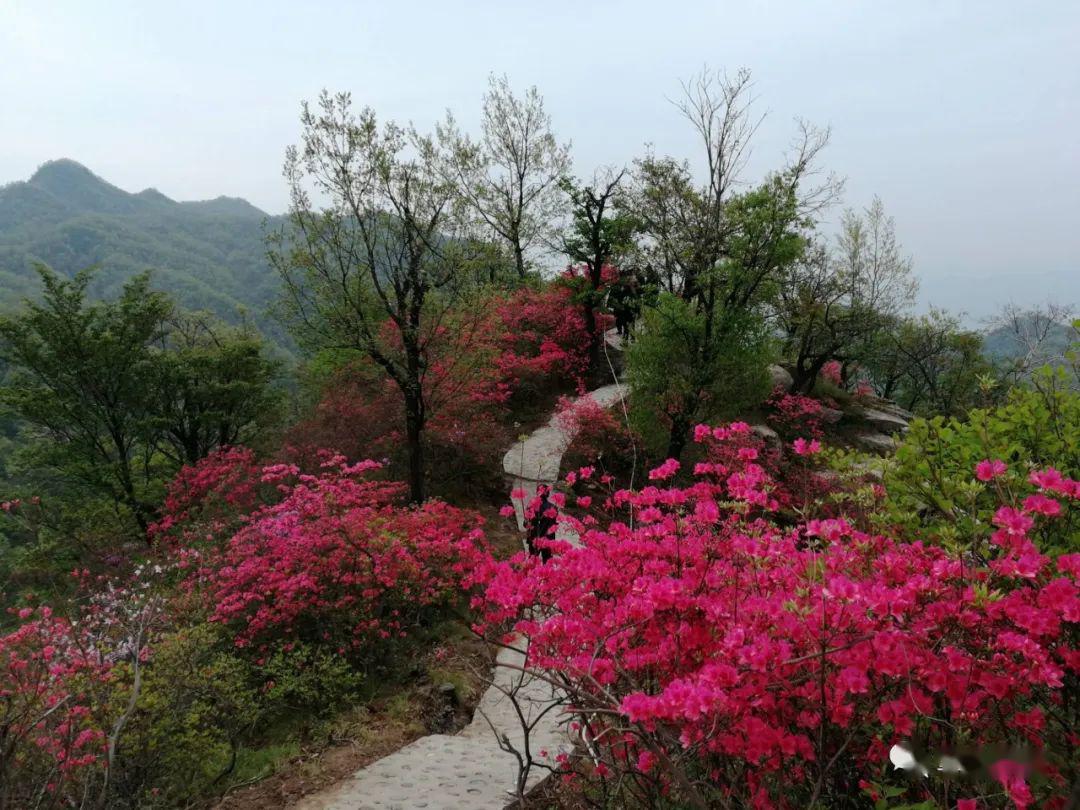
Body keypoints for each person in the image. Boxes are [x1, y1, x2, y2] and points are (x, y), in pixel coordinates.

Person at [525, 484, 557, 562]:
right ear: (548, 494)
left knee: (532, 562)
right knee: (547, 563)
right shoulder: (553, 507)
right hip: (548, 539)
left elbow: (526, 524)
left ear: (537, 492)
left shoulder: (531, 505)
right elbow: (553, 525)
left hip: (534, 537)